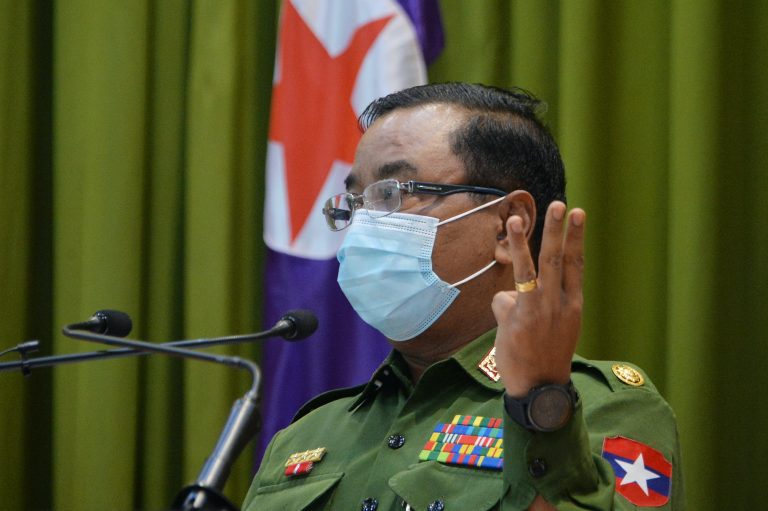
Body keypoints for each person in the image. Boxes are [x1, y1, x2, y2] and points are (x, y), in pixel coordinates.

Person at [243, 83, 684, 510]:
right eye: (354, 202)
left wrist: (542, 404)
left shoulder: (605, 409)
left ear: (508, 222)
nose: (362, 226)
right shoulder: (306, 435)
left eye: (393, 194)